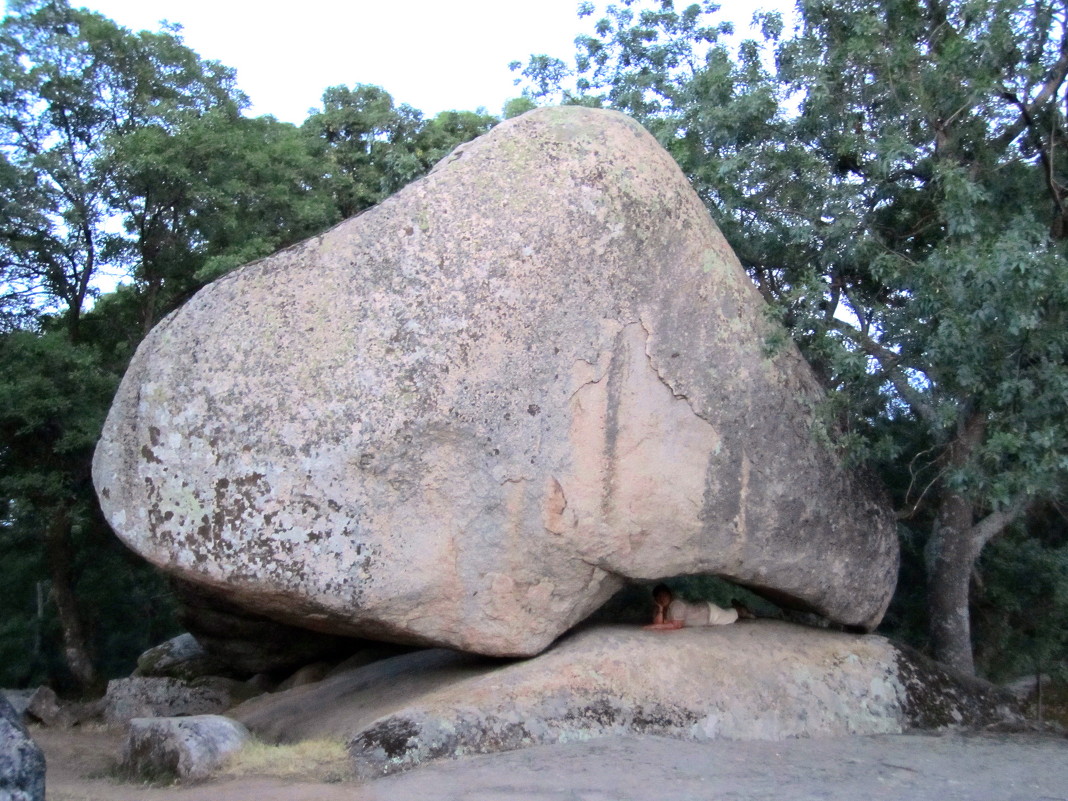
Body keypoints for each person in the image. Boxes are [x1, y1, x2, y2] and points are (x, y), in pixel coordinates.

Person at [643, 583, 740, 630]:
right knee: (729, 613)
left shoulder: (676, 604)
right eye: (659, 597)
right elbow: (658, 622)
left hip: (709, 613)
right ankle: (733, 607)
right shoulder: (664, 608)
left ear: (669, 594)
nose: (662, 598)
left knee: (733, 616)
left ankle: (739, 608)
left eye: (664, 595)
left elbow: (677, 625)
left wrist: (655, 626)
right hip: (703, 610)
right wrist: (660, 609)